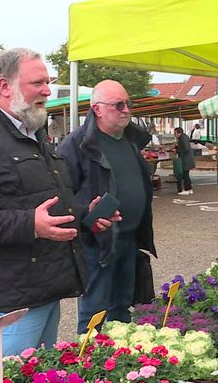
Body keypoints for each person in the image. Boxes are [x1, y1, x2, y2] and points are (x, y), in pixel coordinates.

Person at [0, 48, 114, 364]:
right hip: (6, 303)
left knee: (38, 372)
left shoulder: (32, 134)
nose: (48, 90)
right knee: (6, 373)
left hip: (43, 292)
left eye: (47, 82)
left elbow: (41, 203)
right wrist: (28, 224)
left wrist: (86, 216)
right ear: (5, 86)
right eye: (38, 82)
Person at [58, 80, 157, 334]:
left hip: (129, 236)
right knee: (95, 311)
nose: (126, 109)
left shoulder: (131, 139)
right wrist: (85, 215)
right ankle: (90, 364)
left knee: (122, 307)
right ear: (97, 109)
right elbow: (60, 193)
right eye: (118, 105)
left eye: (128, 104)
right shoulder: (77, 143)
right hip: (98, 242)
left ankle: (118, 363)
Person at [174, 127, 196, 195]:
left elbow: (186, 149)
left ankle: (187, 189)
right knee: (186, 174)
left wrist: (177, 150)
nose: (174, 135)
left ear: (179, 133)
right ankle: (189, 189)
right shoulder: (185, 137)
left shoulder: (182, 139)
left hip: (185, 159)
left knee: (185, 174)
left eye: (175, 133)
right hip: (188, 158)